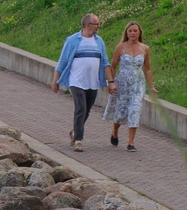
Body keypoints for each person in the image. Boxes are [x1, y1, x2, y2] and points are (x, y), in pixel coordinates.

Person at [53, 13, 110, 151]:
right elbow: (63, 61)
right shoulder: (73, 40)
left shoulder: (99, 41)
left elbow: (105, 62)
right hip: (76, 80)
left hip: (93, 82)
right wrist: (56, 81)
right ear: (88, 25)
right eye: (96, 24)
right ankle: (78, 140)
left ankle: (74, 131)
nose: (98, 27)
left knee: (87, 110)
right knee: (80, 108)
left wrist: (111, 81)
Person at [104, 21, 153, 151]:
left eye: (135, 31)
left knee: (135, 110)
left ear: (139, 33)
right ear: (126, 33)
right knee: (120, 112)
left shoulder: (145, 48)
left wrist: (152, 87)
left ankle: (131, 143)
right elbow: (113, 66)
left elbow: (147, 69)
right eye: (130, 31)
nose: (132, 33)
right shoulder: (120, 47)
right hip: (122, 84)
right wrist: (111, 83)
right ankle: (115, 132)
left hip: (137, 85)